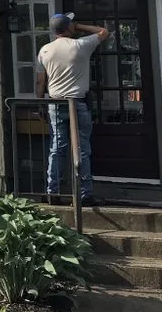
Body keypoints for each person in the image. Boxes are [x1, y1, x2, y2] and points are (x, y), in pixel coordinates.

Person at [35, 13, 110, 207]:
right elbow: (104, 32)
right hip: (77, 103)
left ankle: (53, 192)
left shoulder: (45, 50)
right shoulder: (80, 45)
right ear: (68, 28)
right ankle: (85, 194)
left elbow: (40, 81)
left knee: (56, 149)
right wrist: (80, 26)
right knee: (82, 149)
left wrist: (40, 104)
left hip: (55, 103)